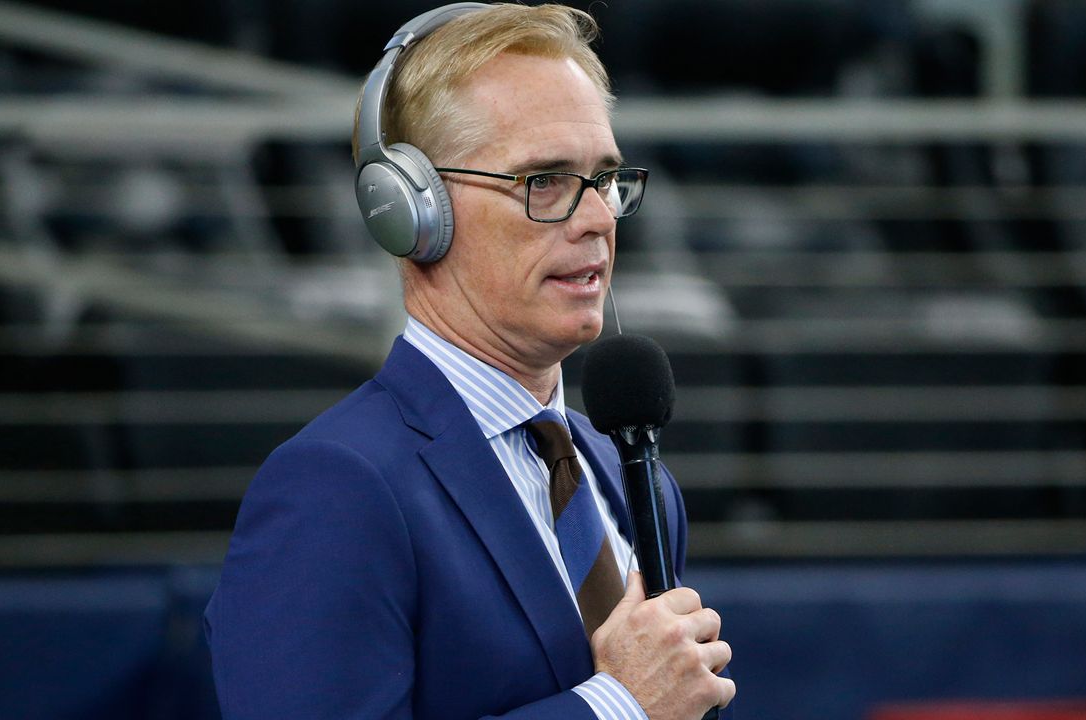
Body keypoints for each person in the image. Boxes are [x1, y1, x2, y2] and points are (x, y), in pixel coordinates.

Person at [203, 4, 735, 719]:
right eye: (542, 180)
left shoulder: (632, 478)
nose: (597, 217)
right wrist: (616, 706)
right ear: (410, 208)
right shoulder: (337, 487)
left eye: (604, 178)